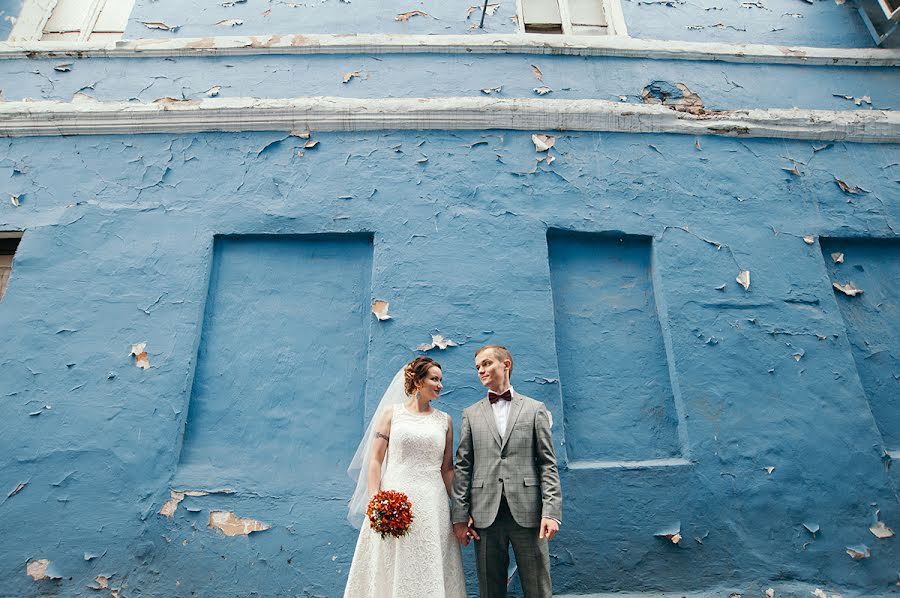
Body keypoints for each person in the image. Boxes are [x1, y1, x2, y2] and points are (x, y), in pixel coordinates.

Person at [345, 357, 466, 598]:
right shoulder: (392, 414)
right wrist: (375, 502)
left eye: (441, 380)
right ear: (418, 381)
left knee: (428, 560)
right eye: (434, 379)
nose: (440, 385)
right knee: (391, 560)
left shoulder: (445, 421)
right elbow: (376, 460)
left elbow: (447, 469)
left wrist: (460, 508)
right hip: (394, 499)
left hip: (433, 504)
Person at [451, 345, 562, 598]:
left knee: (538, 588)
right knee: (490, 590)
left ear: (506, 364)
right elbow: (463, 467)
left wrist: (552, 512)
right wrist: (459, 516)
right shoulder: (470, 414)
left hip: (529, 513)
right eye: (478, 367)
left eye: (487, 363)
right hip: (484, 516)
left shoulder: (535, 409)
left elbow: (547, 463)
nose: (481, 370)